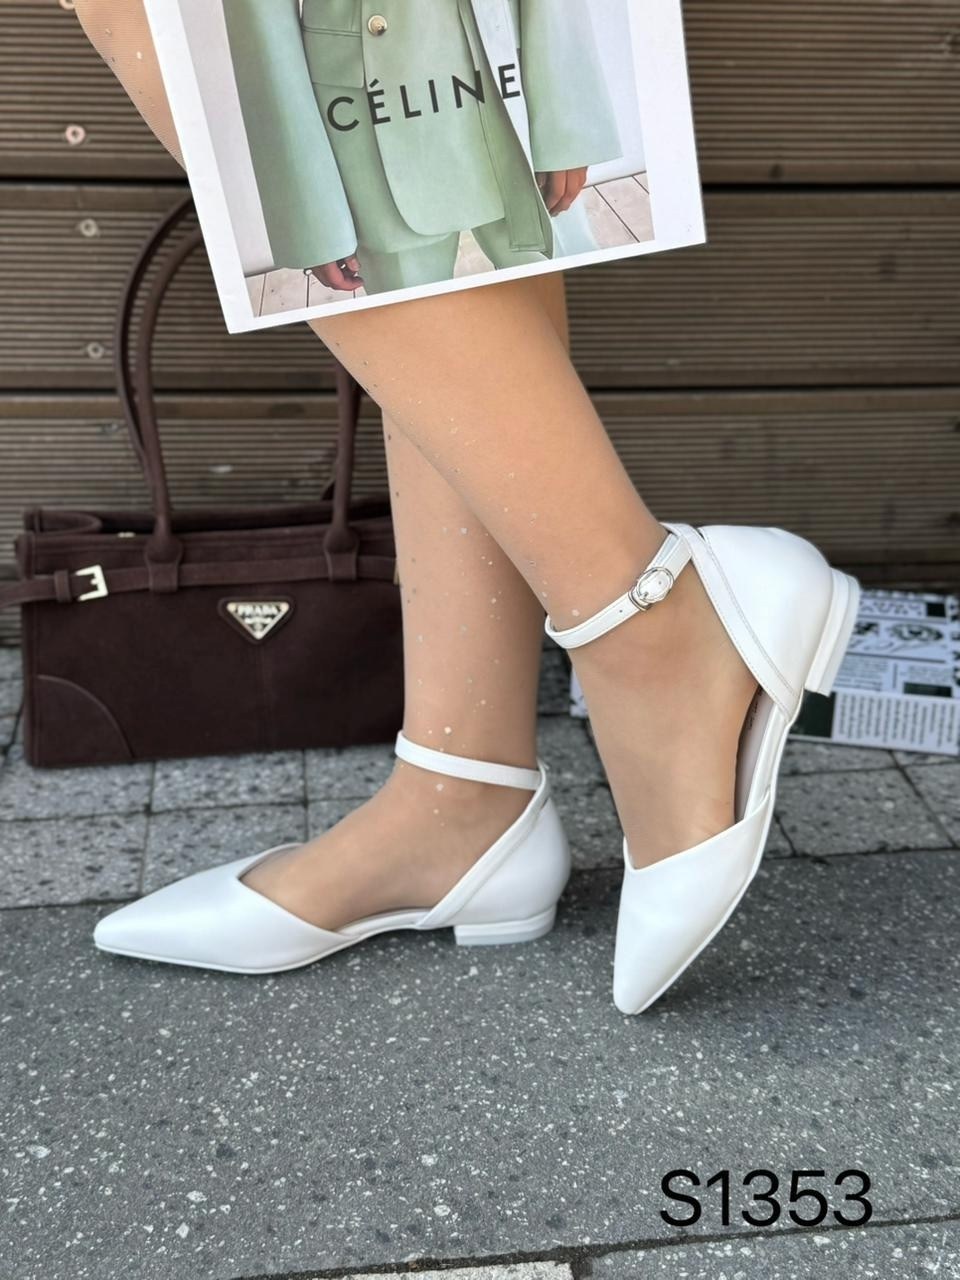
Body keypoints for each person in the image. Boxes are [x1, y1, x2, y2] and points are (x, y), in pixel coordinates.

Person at [74, 0, 859, 1014]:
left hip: (473, 83)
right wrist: (314, 210)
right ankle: (463, 786)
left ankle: (649, 622)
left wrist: (565, 115)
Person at [221, 0, 623, 293]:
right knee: (416, 340)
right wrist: (310, 216)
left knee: (572, 309)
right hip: (368, 111)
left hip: (511, 77)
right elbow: (260, 21)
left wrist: (569, 118)